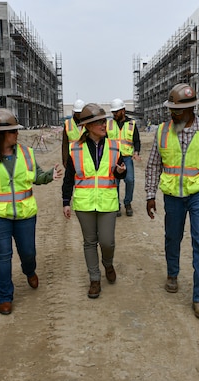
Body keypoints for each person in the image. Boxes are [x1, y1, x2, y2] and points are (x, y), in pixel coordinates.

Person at [0, 108, 62, 315]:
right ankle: (5, 297)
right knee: (3, 255)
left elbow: (37, 176)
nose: (17, 134)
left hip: (25, 213)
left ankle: (29, 270)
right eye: (13, 131)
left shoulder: (26, 153)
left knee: (28, 252)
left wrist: (50, 175)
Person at [145, 83, 199, 319]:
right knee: (172, 237)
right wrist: (150, 195)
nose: (173, 114)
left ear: (192, 109)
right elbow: (153, 165)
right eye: (171, 110)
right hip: (173, 196)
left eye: (177, 111)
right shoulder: (163, 131)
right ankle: (172, 274)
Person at [62, 103, 127, 299]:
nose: (103, 125)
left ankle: (108, 263)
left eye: (103, 121)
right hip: (84, 203)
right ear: (88, 126)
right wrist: (66, 200)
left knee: (107, 241)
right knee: (89, 242)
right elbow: (69, 177)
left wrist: (120, 172)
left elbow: (121, 172)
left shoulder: (115, 146)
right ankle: (95, 279)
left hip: (107, 201)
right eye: (98, 122)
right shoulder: (76, 149)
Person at [107, 98, 141, 217]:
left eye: (116, 111)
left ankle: (127, 203)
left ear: (123, 110)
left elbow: (136, 140)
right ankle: (116, 205)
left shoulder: (132, 124)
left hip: (127, 157)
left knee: (130, 180)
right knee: (114, 182)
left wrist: (136, 152)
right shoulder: (109, 124)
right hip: (113, 157)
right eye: (113, 112)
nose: (114, 114)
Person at [61, 99, 85, 164]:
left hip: (86, 157)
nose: (79, 115)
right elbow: (65, 144)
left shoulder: (88, 123)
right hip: (72, 158)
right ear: (74, 112)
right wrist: (65, 160)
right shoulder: (68, 123)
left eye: (80, 113)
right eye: (77, 113)